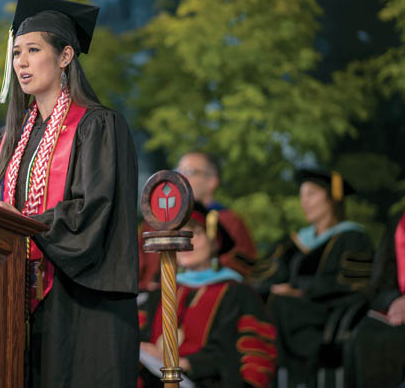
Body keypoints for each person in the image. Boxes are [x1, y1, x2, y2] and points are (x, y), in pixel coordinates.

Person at [0, 0, 140, 388]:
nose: (21, 62)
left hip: (81, 303)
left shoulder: (99, 128)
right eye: (17, 52)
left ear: (64, 57)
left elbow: (93, 213)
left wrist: (22, 223)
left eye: (33, 50)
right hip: (13, 303)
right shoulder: (4, 144)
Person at [253, 168, 374, 387]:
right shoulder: (296, 242)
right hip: (291, 310)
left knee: (280, 305)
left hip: (326, 315)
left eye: (311, 194)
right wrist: (273, 288)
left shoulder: (353, 237)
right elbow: (268, 274)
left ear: (332, 197)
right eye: (301, 196)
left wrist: (301, 291)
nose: (304, 202)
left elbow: (353, 285)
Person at [138, 203, 277, 388]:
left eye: (194, 233)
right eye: (179, 234)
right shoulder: (159, 293)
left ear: (214, 242)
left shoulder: (237, 293)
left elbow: (253, 355)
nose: (185, 242)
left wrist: (189, 364)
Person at [138, 152, 256, 290]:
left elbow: (244, 268)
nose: (179, 177)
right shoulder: (156, 223)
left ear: (212, 181)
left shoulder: (228, 222)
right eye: (177, 171)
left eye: (189, 171)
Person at [343, 208, 405, 387]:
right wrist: (394, 301)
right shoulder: (398, 223)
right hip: (397, 320)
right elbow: (380, 284)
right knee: (367, 333)